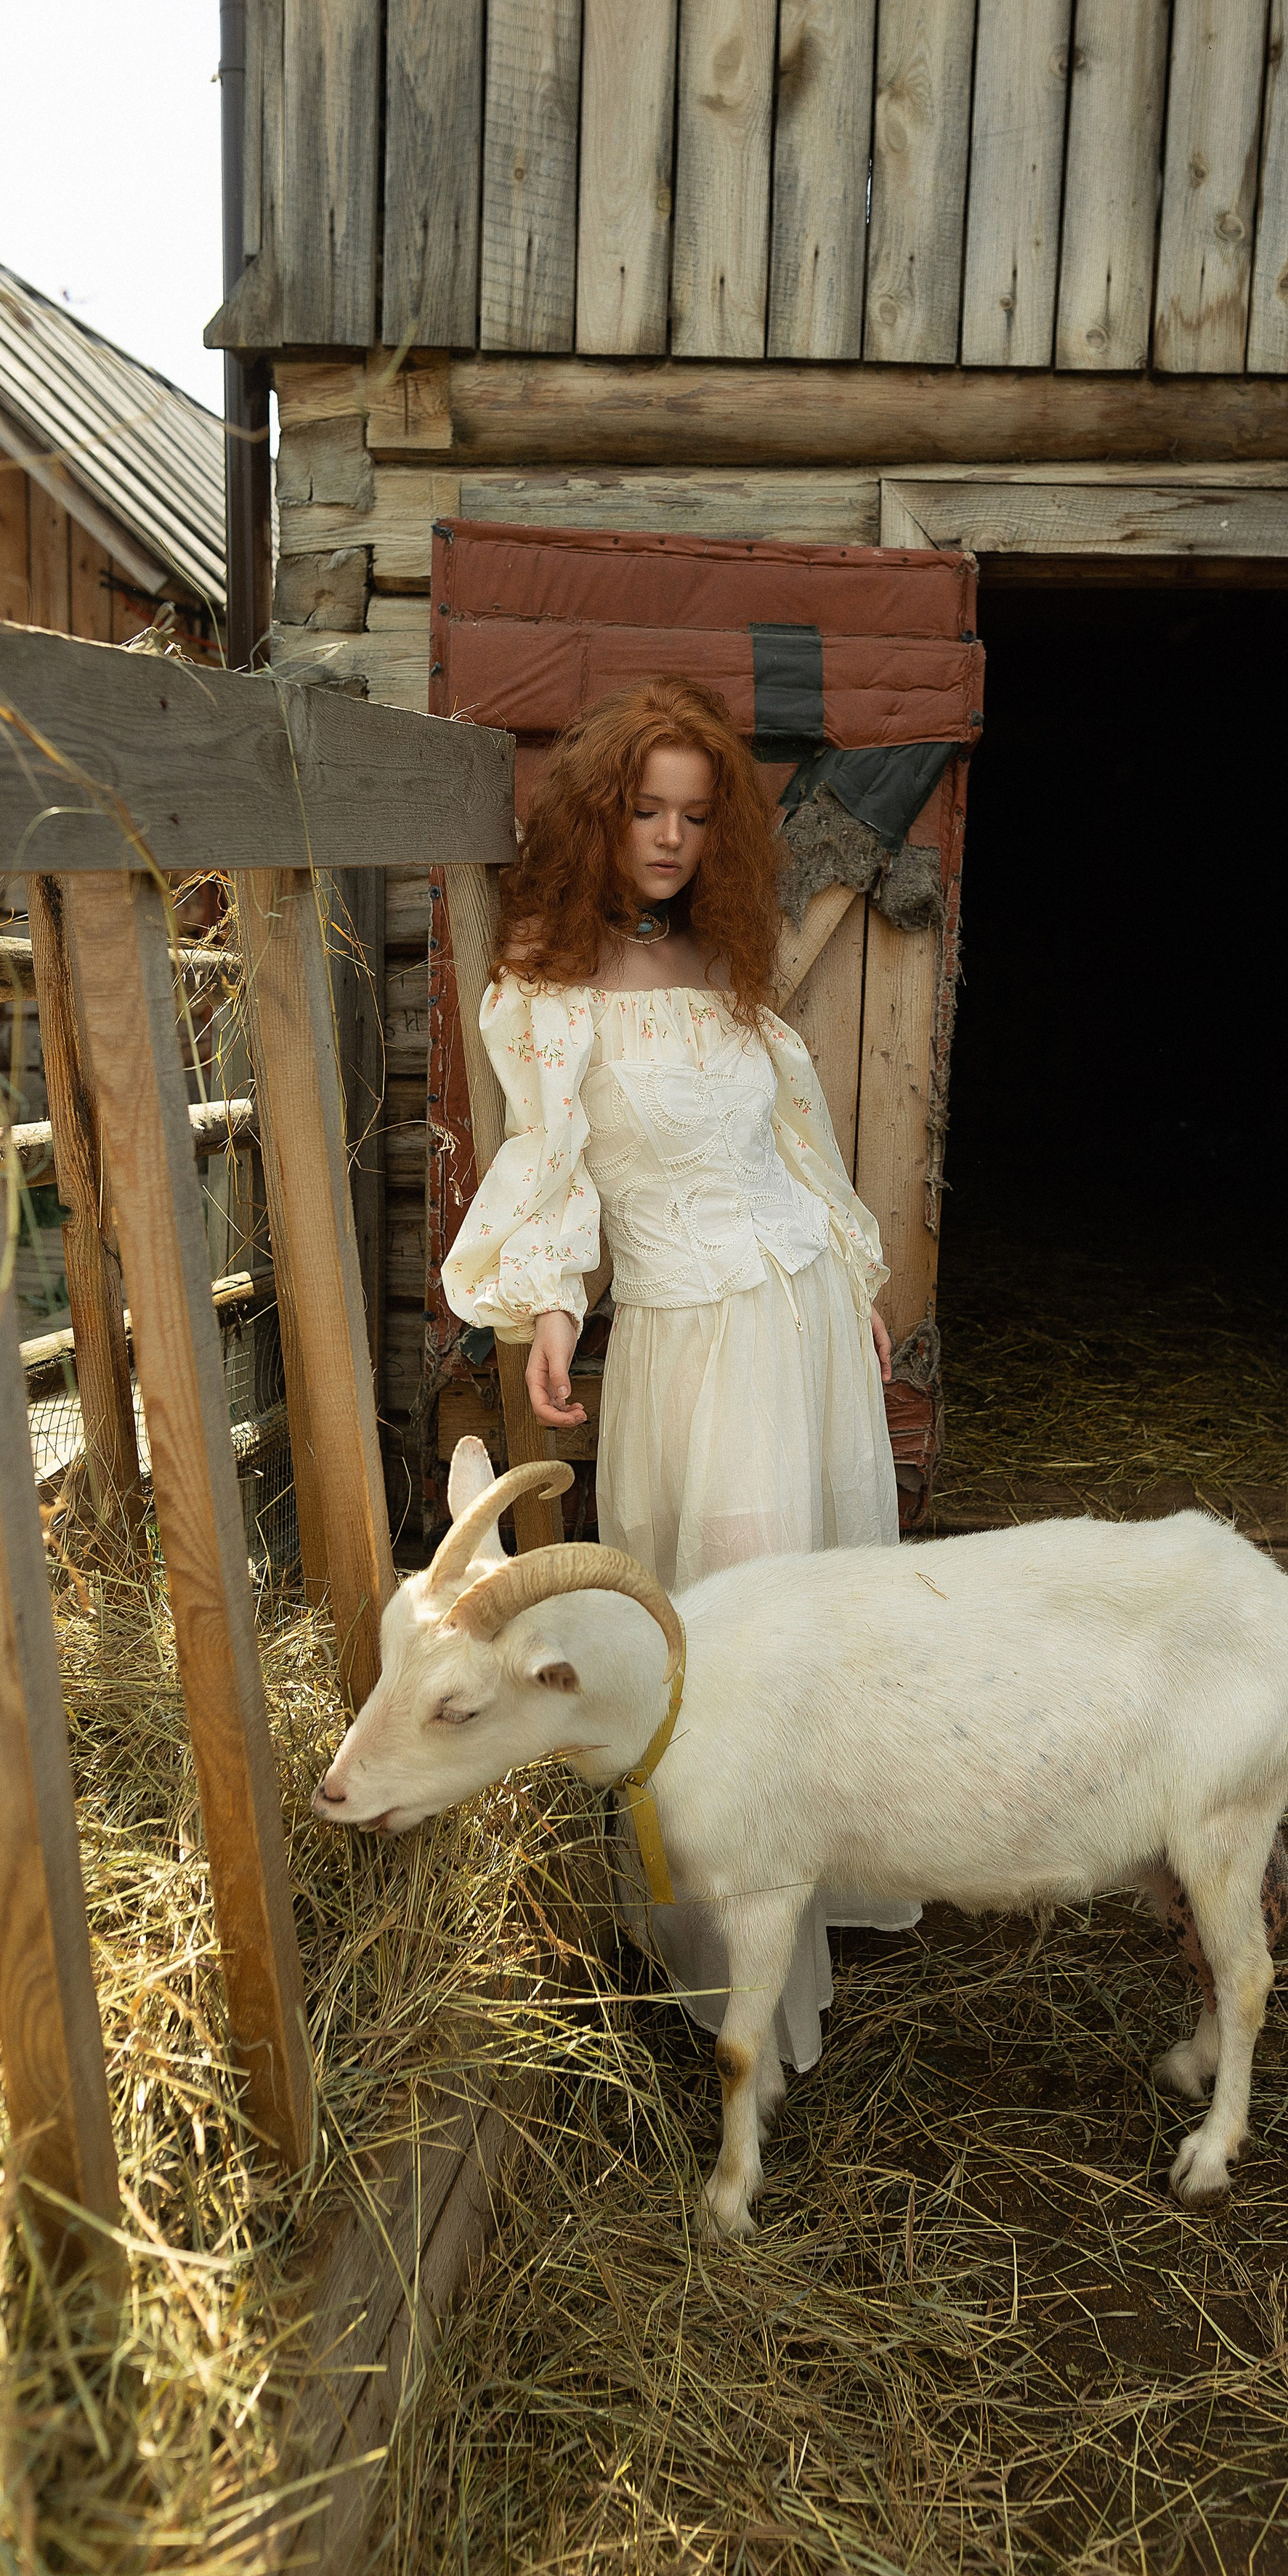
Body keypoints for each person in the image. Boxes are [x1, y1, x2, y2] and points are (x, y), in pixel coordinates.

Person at [442, 675, 919, 2070]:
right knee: (719, 1633)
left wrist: (857, 1274)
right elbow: (551, 1166)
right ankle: (728, 1979)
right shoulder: (545, 991)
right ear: (599, 817)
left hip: (802, 1323)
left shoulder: (728, 971)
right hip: (690, 1343)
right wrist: (546, 1311)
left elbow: (793, 1142)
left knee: (808, 1618)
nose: (669, 838)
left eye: (697, 816)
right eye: (644, 810)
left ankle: (800, 1920)